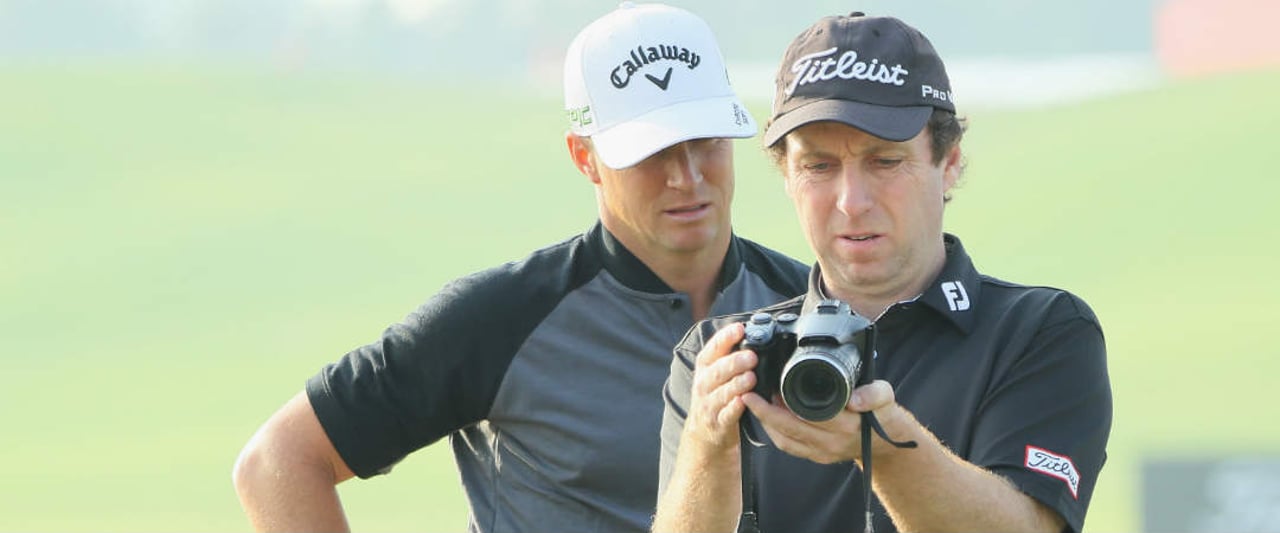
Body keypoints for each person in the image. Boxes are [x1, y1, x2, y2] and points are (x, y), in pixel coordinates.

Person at [231, 3, 808, 533]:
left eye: (706, 141)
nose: (687, 176)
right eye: (651, 152)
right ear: (584, 157)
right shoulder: (502, 320)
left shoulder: (809, 309)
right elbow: (277, 460)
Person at [653, 12, 1112, 533]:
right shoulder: (720, 355)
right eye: (818, 166)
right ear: (787, 177)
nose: (851, 201)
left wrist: (887, 449)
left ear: (949, 162)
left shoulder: (1038, 332)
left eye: (885, 161)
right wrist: (707, 448)